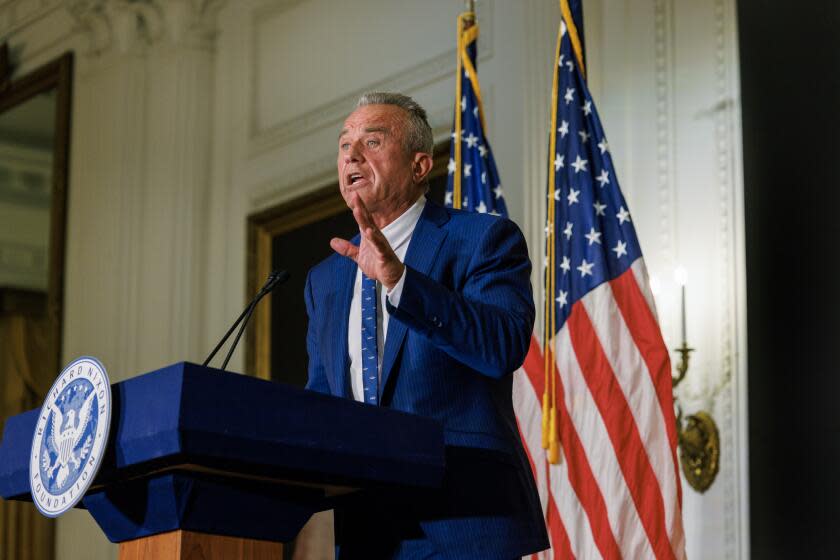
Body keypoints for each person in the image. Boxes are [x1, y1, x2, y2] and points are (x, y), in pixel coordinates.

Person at [304, 92, 548, 559]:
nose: (351, 155)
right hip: (366, 533)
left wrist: (400, 281)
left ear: (420, 167)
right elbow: (323, 402)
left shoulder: (482, 239)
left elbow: (502, 346)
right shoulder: (326, 279)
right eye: (344, 145)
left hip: (464, 525)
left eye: (372, 141)